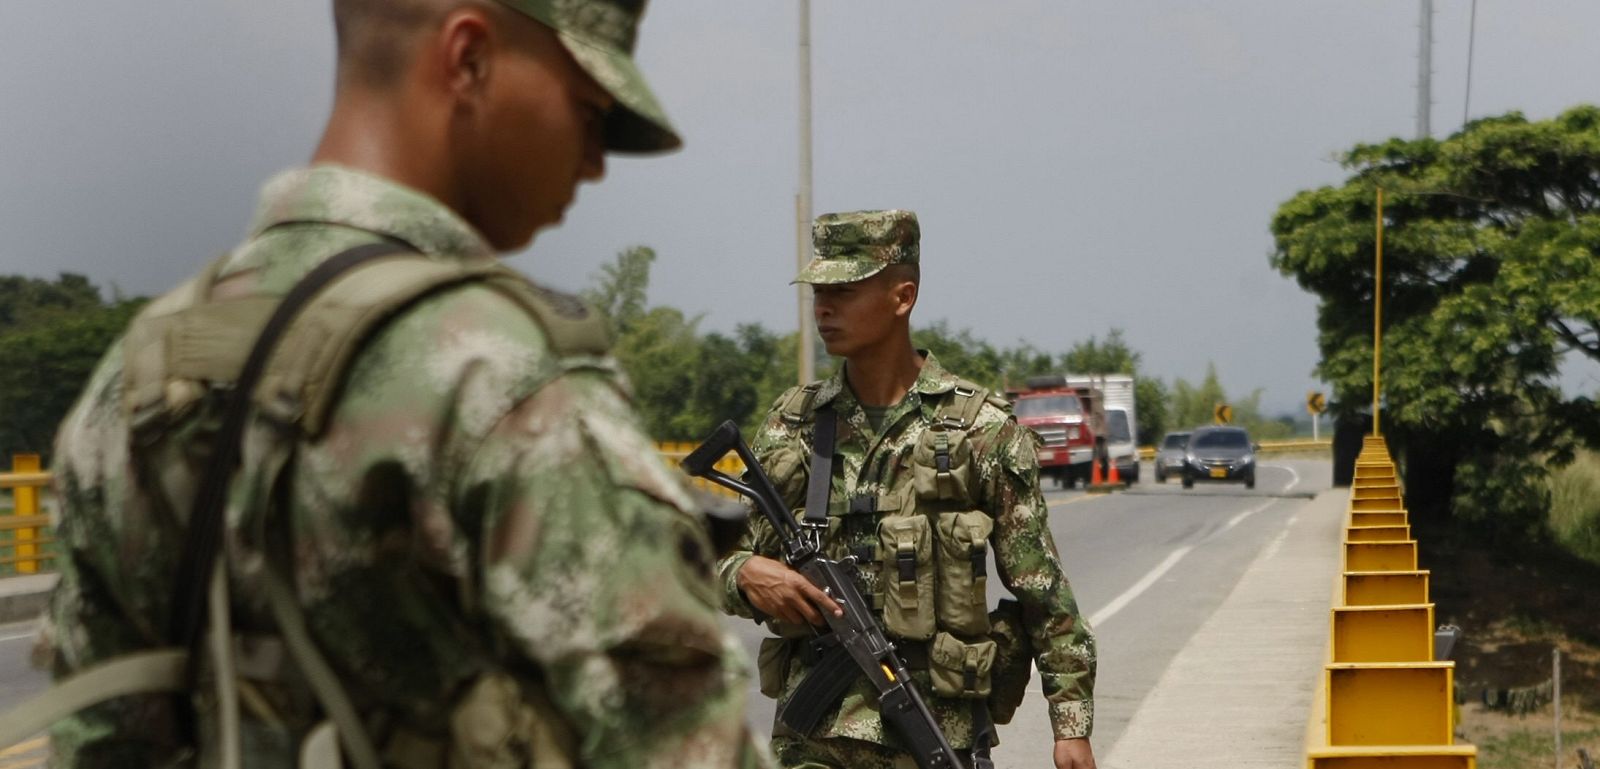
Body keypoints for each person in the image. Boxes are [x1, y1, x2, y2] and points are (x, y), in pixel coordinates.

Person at [42, 1, 769, 767]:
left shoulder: (140, 373)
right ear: (468, 59)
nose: (594, 161)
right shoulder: (498, 374)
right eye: (588, 112)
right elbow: (690, 749)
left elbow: (98, 738)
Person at [716, 210, 1098, 769]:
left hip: (932, 737)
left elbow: (1044, 594)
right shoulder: (792, 426)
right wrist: (745, 574)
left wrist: (1071, 727)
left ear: (902, 297)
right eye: (819, 291)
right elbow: (714, 557)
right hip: (811, 745)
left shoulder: (981, 431)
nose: (824, 308)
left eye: (844, 291)